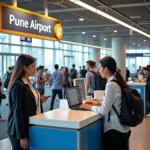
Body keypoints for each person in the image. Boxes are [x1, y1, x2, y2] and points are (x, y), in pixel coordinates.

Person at [81, 56, 131, 150]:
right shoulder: (116, 81)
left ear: (106, 69)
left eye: (100, 68)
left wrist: (89, 107)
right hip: (123, 129)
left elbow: (104, 110)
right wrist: (95, 103)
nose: (99, 71)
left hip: (114, 130)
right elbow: (114, 103)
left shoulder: (111, 85)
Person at [7, 54, 48, 150]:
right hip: (19, 130)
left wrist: (39, 100)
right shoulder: (18, 85)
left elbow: (27, 100)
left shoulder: (28, 82)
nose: (35, 69)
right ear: (25, 68)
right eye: (33, 66)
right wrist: (22, 136)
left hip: (30, 126)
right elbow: (18, 111)